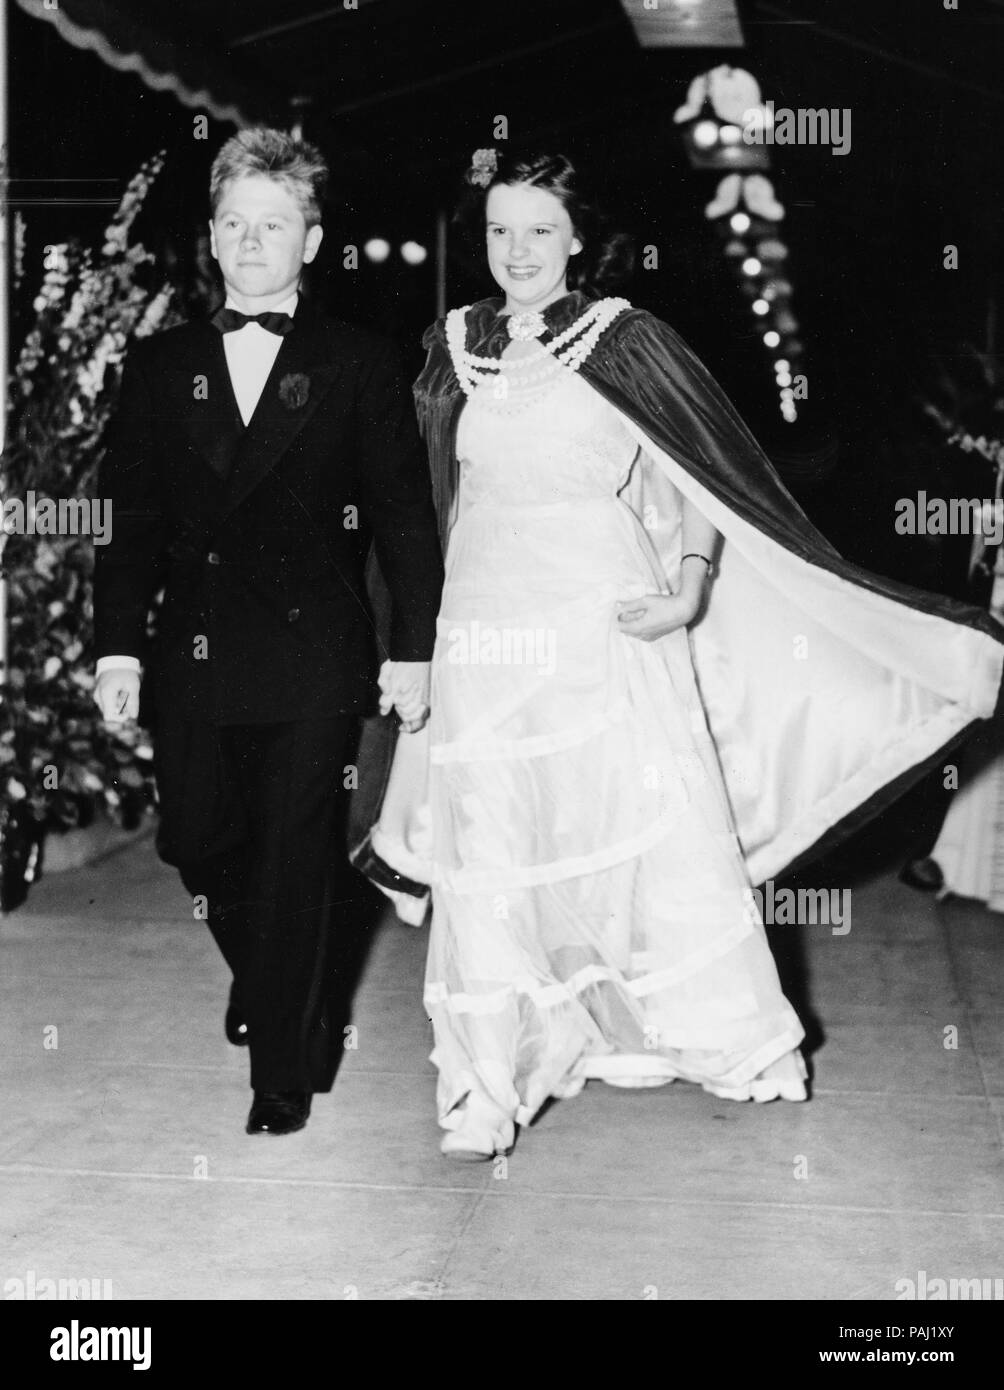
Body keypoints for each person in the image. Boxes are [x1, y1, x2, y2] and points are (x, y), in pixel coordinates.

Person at [360, 148, 1004, 1161]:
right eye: (497, 230)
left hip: (606, 633)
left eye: (537, 230)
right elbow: (422, 500)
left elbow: (698, 478)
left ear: (578, 239)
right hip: (482, 632)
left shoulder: (628, 341)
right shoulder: (449, 347)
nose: (516, 251)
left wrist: (691, 583)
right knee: (487, 850)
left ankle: (718, 1036)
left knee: (640, 834)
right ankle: (481, 1081)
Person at [92, 128, 443, 1137]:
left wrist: (410, 650)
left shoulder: (358, 363)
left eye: (273, 224)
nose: (252, 242)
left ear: (312, 238)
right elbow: (131, 524)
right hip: (193, 650)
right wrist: (117, 646)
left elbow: (403, 517)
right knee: (197, 840)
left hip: (310, 655)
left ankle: (285, 1064)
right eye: (235, 223)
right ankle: (268, 972)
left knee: (293, 855)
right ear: (211, 235)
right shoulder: (160, 366)